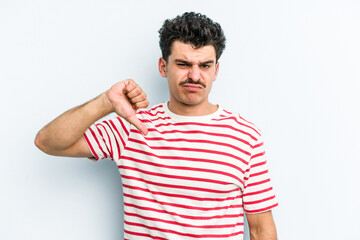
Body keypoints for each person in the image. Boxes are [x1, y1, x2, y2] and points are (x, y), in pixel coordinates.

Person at [35, 12, 278, 240]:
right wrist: (105, 102)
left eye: (204, 65)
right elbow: (47, 142)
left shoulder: (245, 135)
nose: (195, 75)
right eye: (183, 64)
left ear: (216, 70)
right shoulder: (132, 126)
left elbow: (261, 227)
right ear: (163, 67)